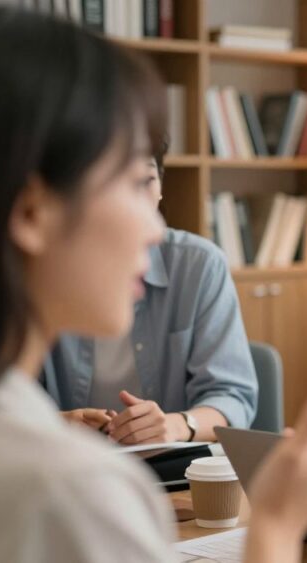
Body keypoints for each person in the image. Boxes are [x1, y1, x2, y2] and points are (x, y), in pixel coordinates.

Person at [0, 8, 307, 562]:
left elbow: (231, 396)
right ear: (33, 212)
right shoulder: (72, 490)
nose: (154, 227)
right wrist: (277, 521)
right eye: (131, 182)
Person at [42, 145, 258, 445]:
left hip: (176, 471)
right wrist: (58, 424)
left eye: (146, 180)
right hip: (64, 463)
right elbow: (6, 400)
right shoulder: (39, 269)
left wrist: (179, 426)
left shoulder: (199, 264)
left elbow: (232, 397)